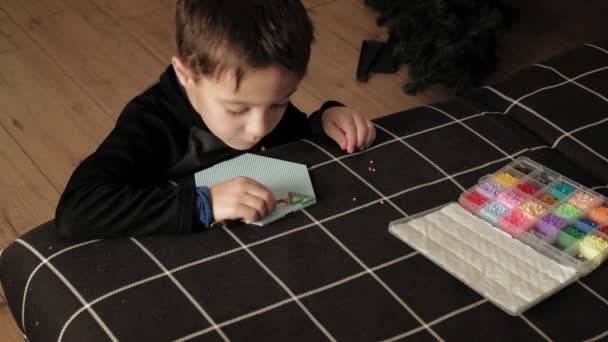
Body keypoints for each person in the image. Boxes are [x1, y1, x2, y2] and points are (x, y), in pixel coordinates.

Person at [55, 0, 376, 239]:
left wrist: (324, 120)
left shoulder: (257, 102)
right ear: (187, 75)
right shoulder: (151, 122)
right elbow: (77, 211)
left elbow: (290, 137)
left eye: (280, 103)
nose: (258, 128)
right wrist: (203, 204)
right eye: (236, 110)